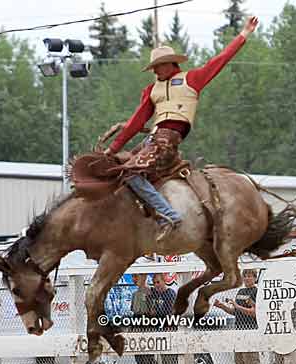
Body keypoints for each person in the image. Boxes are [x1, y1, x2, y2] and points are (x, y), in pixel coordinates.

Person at [104, 16, 259, 242]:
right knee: (116, 170)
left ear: (170, 64)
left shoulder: (192, 79)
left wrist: (244, 34)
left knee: (130, 173)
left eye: (158, 67)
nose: (155, 72)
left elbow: (220, 60)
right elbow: (136, 122)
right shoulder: (152, 90)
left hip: (167, 140)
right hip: (152, 140)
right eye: (153, 68)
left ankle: (169, 215)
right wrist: (113, 148)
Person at [214, 269, 260, 364]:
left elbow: (254, 312)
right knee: (240, 361)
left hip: (250, 329)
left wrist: (237, 306)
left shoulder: (256, 291)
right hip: (238, 329)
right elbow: (234, 311)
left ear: (255, 278)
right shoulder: (241, 291)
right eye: (245, 276)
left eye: (250, 276)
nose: (247, 278)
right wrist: (221, 306)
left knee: (253, 360)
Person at [130, 273, 161, 364]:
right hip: (137, 328)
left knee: (148, 357)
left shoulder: (151, 292)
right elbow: (135, 314)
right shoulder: (135, 294)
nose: (134, 279)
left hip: (147, 327)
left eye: (136, 276)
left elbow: (153, 313)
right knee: (139, 357)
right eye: (133, 276)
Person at [147, 273, 178, 364]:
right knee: (161, 359)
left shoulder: (170, 294)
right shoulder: (154, 294)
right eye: (154, 283)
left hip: (168, 329)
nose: (156, 285)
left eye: (158, 282)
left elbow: (170, 314)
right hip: (157, 330)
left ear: (164, 281)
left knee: (169, 358)